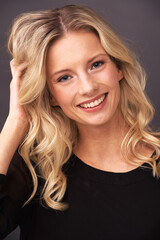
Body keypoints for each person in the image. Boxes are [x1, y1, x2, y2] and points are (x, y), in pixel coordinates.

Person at [0, 4, 160, 240]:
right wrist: (15, 121)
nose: (88, 87)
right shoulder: (34, 170)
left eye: (96, 64)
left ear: (118, 67)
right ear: (51, 95)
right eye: (65, 77)